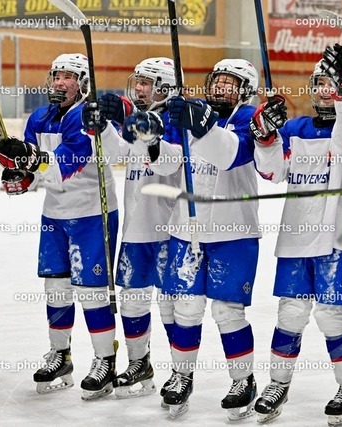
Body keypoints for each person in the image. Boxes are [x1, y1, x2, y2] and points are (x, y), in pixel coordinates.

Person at [250, 44, 342, 425]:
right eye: (320, 83)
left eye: (333, 84)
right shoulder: (295, 129)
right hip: (296, 239)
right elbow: (273, 172)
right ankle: (277, 384)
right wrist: (265, 136)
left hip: (341, 238)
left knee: (330, 316)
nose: (325, 90)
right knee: (290, 313)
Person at [126, 58, 261, 420]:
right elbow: (170, 163)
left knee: (227, 311)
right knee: (185, 306)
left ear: (245, 90)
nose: (220, 88)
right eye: (216, 81)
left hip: (234, 232)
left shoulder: (250, 118)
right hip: (186, 228)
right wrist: (153, 143)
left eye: (230, 84)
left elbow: (231, 154)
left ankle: (243, 380)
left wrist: (203, 127)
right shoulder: (192, 113)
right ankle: (181, 375)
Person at [0, 53, 120, 400]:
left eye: (69, 77)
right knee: (56, 288)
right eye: (56, 76)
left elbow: (64, 166)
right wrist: (19, 172)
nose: (60, 82)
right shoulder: (39, 117)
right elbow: (37, 173)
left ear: (83, 84)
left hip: (92, 213)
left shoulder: (87, 117)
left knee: (92, 292)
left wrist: (30, 159)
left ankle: (105, 360)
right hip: (54, 214)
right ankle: (61, 355)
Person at [93, 57, 181, 398]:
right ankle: (138, 362)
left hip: (170, 230)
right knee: (132, 302)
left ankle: (180, 370)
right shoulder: (137, 119)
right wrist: (101, 125)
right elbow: (114, 153)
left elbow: (167, 163)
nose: (139, 88)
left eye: (146, 82)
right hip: (136, 228)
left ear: (164, 87)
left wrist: (131, 120)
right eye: (139, 81)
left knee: (172, 307)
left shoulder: (177, 119)